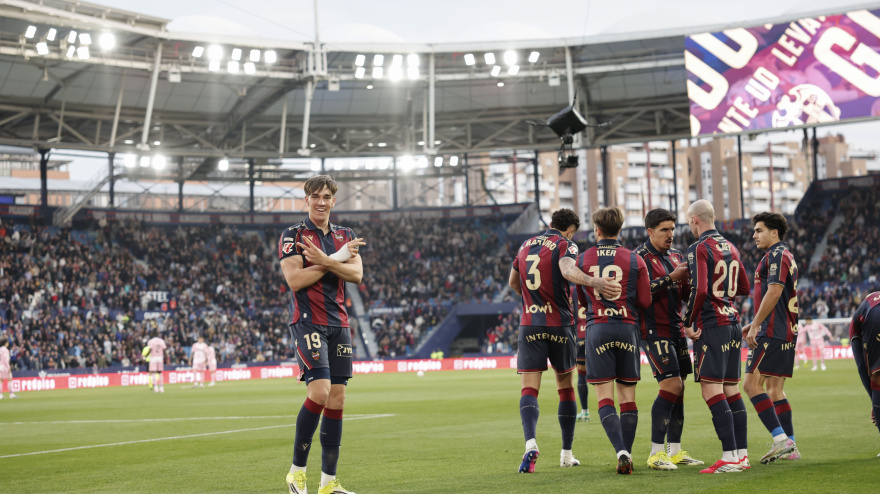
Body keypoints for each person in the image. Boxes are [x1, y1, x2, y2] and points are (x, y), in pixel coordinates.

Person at [509, 208, 621, 474]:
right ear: (571, 229)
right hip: (559, 324)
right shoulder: (565, 244)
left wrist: (530, 303)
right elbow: (567, 270)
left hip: (530, 325)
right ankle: (566, 453)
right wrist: (594, 281)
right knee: (565, 386)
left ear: (550, 223)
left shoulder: (525, 245)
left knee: (529, 389)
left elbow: (514, 282)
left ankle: (530, 443)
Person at [280, 175, 366, 494]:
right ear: (306, 199)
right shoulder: (293, 235)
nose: (321, 201)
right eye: (315, 196)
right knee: (319, 392)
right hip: (308, 321)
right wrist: (338, 260)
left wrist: (328, 260)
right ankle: (296, 473)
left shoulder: (346, 234)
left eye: (327, 196)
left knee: (338, 399)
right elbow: (295, 280)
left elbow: (356, 274)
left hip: (339, 324)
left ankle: (329, 483)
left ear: (333, 201)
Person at [575, 207, 651, 474]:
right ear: (620, 229)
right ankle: (627, 453)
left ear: (597, 230)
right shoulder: (634, 259)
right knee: (627, 397)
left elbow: (581, 299)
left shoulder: (583, 258)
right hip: (627, 328)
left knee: (604, 397)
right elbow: (645, 301)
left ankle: (620, 451)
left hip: (598, 328)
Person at [683, 200, 751, 474]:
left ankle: (728, 456)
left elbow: (699, 290)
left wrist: (687, 322)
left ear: (695, 220)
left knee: (711, 388)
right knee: (731, 389)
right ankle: (741, 456)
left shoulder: (700, 247)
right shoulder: (732, 247)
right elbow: (744, 286)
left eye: (688, 222)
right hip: (733, 321)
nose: (689, 226)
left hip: (711, 324)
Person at [634, 208, 703, 470]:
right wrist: (670, 278)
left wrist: (693, 311)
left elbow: (683, 293)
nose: (670, 234)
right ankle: (655, 453)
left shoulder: (676, 256)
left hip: (675, 328)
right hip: (653, 330)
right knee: (671, 386)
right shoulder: (638, 259)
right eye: (664, 230)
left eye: (673, 229)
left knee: (680, 389)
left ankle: (674, 452)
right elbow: (639, 294)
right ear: (650, 231)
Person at [743, 212, 800, 464]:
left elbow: (775, 292)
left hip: (771, 332)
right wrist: (753, 321)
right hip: (785, 330)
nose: (754, 235)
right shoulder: (786, 255)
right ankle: (792, 446)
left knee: (750, 385)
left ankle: (781, 440)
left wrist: (757, 324)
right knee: (774, 390)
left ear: (774, 232)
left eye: (759, 230)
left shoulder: (776, 255)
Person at [849, 291, 880, 457]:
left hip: (875, 316)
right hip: (874, 315)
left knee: (876, 378)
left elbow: (863, 368)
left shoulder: (857, 324)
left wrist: (874, 401)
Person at [571, 285, 590, 422]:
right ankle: (608, 411)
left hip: (581, 336)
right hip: (596, 332)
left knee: (581, 375)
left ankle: (585, 412)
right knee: (605, 374)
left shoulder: (572, 291)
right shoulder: (595, 284)